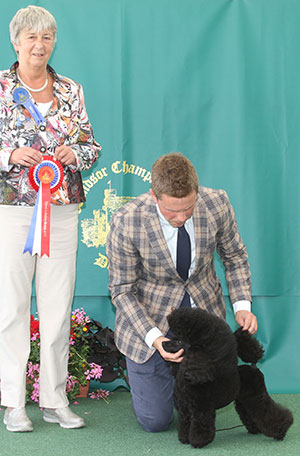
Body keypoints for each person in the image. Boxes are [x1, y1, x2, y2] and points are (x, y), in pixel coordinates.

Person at [0, 6, 101, 432]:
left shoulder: (72, 90)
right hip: (14, 211)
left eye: (47, 37)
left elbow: (92, 145)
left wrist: (75, 154)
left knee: (58, 310)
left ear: (53, 42)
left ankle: (55, 399)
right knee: (12, 308)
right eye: (32, 38)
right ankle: (13, 403)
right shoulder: (2, 88)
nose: (39, 45)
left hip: (61, 210)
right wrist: (8, 155)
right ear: (16, 42)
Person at [106, 152, 257, 433]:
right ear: (154, 196)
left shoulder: (217, 203)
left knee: (206, 402)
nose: (181, 216)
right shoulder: (127, 221)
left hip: (204, 319)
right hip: (149, 325)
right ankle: (150, 374)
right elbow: (122, 290)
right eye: (172, 211)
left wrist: (242, 306)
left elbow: (235, 257)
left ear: (197, 192)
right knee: (156, 421)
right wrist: (156, 339)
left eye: (188, 208)